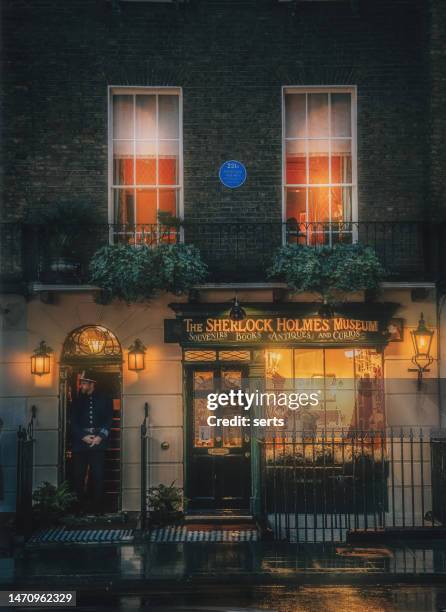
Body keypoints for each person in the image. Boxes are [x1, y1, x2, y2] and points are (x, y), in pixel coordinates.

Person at [71, 370, 113, 513]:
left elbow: (108, 420)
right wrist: (83, 436)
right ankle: (79, 507)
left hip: (98, 442)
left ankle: (98, 507)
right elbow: (73, 422)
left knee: (98, 475)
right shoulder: (77, 401)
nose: (81, 386)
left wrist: (100, 436)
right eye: (81, 383)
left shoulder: (105, 399)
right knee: (78, 476)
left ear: (92, 384)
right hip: (80, 443)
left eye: (83, 383)